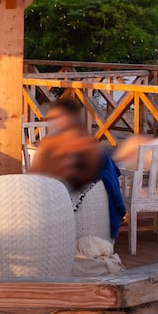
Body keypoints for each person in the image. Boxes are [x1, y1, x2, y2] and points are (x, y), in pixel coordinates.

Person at [29, 93, 125, 239]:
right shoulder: (50, 142)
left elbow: (84, 175)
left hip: (73, 192)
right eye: (52, 119)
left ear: (71, 118)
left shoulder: (85, 144)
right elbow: (36, 171)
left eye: (58, 118)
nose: (54, 123)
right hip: (49, 188)